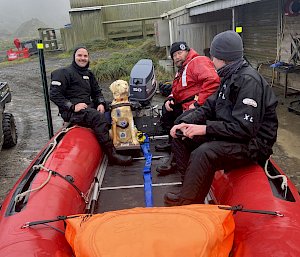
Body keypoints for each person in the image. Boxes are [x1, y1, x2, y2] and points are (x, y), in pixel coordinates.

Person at [163, 30, 278, 206]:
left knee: (204, 153)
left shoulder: (248, 82)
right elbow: (209, 106)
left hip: (253, 143)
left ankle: (188, 205)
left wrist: (205, 129)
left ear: (222, 58)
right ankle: (190, 188)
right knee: (181, 135)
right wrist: (184, 121)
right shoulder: (228, 75)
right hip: (231, 133)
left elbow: (245, 128)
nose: (211, 61)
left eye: (213, 56)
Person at [50, 46, 132, 166]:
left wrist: (101, 103)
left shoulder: (88, 74)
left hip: (86, 107)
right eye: (79, 55)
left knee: (117, 105)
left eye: (85, 56)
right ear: (74, 57)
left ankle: (124, 140)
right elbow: (54, 94)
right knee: (97, 117)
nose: (82, 58)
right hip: (72, 112)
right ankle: (112, 155)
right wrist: (72, 106)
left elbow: (97, 92)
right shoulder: (63, 73)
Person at [156, 41, 220, 175]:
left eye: (180, 53)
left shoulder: (197, 62)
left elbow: (213, 82)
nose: (177, 57)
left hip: (201, 107)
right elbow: (177, 89)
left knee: (180, 121)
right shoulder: (182, 69)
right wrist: (170, 98)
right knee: (167, 110)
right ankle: (171, 143)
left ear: (187, 52)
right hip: (185, 104)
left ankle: (176, 162)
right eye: (174, 55)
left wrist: (197, 103)